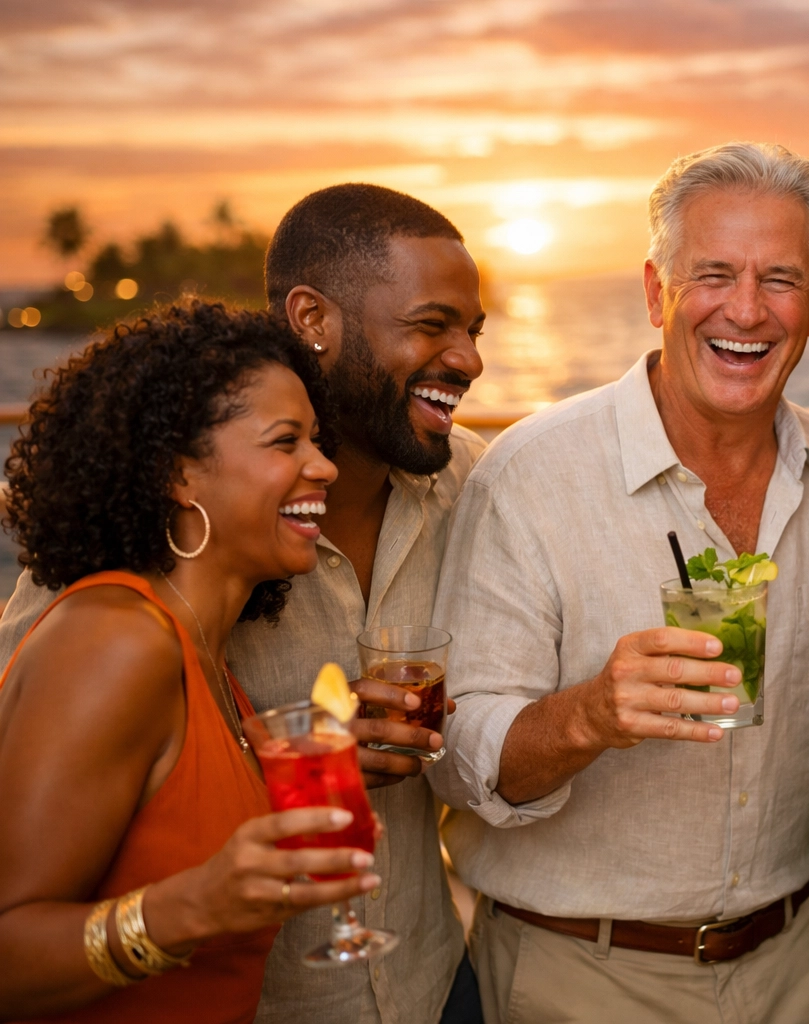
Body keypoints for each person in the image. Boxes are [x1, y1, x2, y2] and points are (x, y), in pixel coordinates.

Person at [0, 183, 489, 1024]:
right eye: (431, 323)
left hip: (433, 981)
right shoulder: (116, 619)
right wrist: (192, 904)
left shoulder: (472, 483)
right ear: (312, 317)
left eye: (475, 331)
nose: (470, 360)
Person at [431, 142, 809, 1024]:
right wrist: (590, 715)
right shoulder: (531, 474)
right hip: (581, 980)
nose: (746, 310)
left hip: (799, 971)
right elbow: (456, 755)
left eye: (781, 280)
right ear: (655, 293)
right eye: (713, 274)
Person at [0, 302, 375, 1022]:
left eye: (317, 440)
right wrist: (195, 906)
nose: (325, 466)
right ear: (179, 474)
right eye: (285, 441)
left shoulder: (206, 657)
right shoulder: (116, 642)